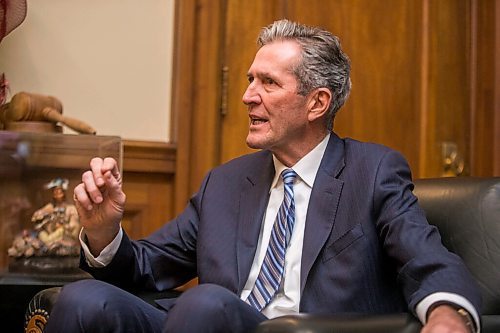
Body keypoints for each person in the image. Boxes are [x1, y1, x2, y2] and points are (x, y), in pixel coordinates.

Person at [45, 19, 481, 333]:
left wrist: (447, 315)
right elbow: (146, 267)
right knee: (83, 299)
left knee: (207, 302)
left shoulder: (373, 172)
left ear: (317, 103)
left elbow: (428, 259)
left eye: (268, 83)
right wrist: (103, 233)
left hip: (301, 328)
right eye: (249, 80)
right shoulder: (227, 182)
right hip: (205, 321)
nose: (246, 96)